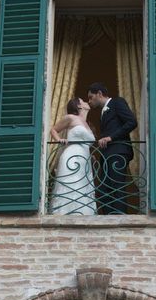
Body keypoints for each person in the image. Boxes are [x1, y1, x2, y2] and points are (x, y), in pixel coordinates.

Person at [87, 82, 137, 214]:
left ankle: (119, 217)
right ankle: (109, 215)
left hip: (118, 152)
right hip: (107, 154)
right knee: (104, 188)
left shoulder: (117, 102)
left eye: (91, 97)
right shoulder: (103, 112)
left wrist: (110, 138)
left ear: (99, 94)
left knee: (117, 186)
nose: (89, 101)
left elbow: (132, 122)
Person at [49, 97, 96, 215]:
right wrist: (59, 140)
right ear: (79, 106)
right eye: (84, 100)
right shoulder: (70, 118)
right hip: (71, 157)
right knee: (71, 184)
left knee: (83, 187)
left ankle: (83, 214)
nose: (87, 101)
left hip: (85, 160)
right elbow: (54, 129)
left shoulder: (87, 124)